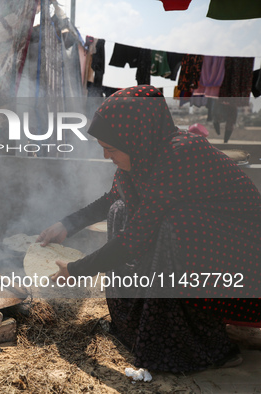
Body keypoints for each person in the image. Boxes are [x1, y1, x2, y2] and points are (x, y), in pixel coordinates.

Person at [37, 85, 261, 373]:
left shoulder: (180, 155)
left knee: (172, 226)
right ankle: (135, 324)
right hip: (206, 243)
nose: (107, 157)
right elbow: (111, 199)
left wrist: (77, 269)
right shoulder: (143, 157)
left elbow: (135, 240)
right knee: (121, 209)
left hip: (241, 250)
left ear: (136, 138)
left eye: (111, 149)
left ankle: (208, 348)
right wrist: (66, 226)